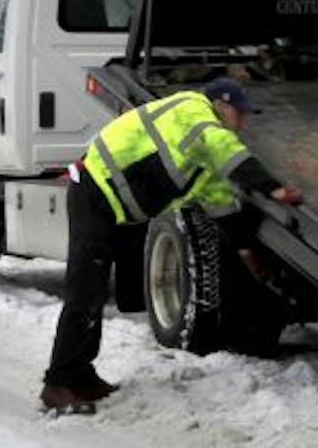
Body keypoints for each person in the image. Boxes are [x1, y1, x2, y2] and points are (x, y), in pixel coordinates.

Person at [40, 76, 302, 413]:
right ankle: (57, 383)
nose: (243, 121)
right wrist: (274, 189)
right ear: (221, 106)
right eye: (240, 113)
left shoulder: (201, 155)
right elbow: (224, 148)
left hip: (109, 204)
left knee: (93, 292)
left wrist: (247, 251)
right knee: (84, 291)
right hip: (93, 191)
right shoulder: (192, 112)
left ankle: (81, 373)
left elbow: (220, 203)